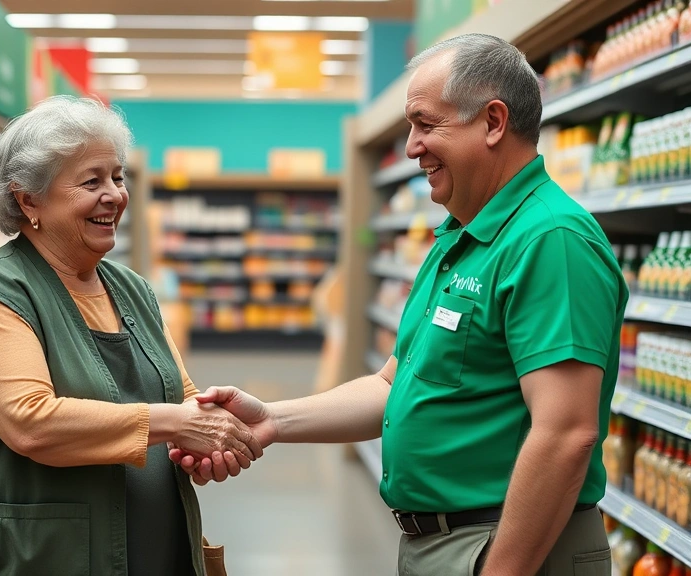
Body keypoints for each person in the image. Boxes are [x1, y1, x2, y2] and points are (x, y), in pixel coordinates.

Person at [172, 34, 628, 576]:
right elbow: (393, 384)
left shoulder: (550, 239)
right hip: (452, 545)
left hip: (510, 549)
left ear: (493, 122)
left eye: (425, 124)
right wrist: (273, 418)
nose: (412, 147)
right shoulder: (461, 238)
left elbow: (565, 434)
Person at [0, 95, 262, 576]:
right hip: (42, 559)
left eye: (118, 177)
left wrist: (209, 438)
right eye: (92, 182)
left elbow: (181, 395)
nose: (114, 195)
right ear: (28, 200)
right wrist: (177, 423)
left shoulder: (132, 289)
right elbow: (32, 423)